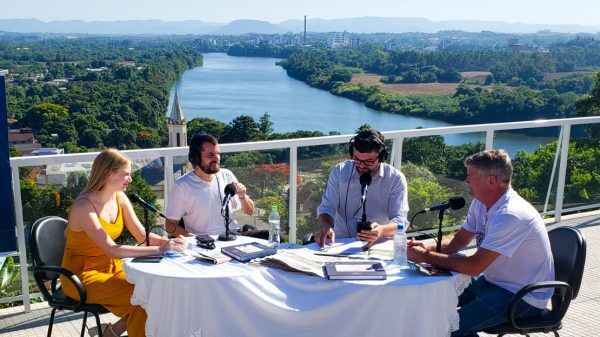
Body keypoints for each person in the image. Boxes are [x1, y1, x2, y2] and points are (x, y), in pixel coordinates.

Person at [407, 149, 554, 337]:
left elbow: (474, 266)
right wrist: (425, 248)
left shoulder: (510, 214)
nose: (466, 180)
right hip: (493, 282)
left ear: (490, 181)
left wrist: (425, 257)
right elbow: (457, 241)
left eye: (471, 176)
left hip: (521, 296)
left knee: (443, 328)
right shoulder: (482, 202)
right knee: (433, 306)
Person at [61, 149, 186, 337]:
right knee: (142, 302)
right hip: (81, 277)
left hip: (112, 268)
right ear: (108, 174)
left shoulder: (119, 198)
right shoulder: (83, 207)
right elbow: (111, 249)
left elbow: (142, 236)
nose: (131, 179)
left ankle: (112, 332)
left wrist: (174, 241)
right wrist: (160, 249)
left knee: (156, 295)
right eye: (126, 174)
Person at [316, 128, 409, 247]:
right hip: (339, 243)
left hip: (378, 244)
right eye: (357, 159)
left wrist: (381, 230)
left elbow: (400, 221)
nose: (361, 165)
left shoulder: (395, 179)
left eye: (369, 161)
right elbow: (326, 207)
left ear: (381, 157)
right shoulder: (339, 171)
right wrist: (326, 225)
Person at [165, 133, 257, 237]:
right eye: (210, 155)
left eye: (218, 154)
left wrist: (242, 196)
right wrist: (197, 240)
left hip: (234, 235)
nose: (216, 158)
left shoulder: (227, 175)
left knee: (277, 238)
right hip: (205, 242)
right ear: (196, 158)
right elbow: (170, 226)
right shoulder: (181, 186)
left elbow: (250, 211)